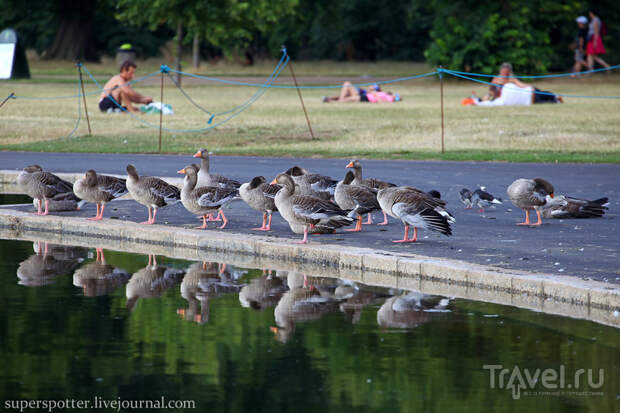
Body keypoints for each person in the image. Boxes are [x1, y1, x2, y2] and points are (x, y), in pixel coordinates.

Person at [472, 62, 563, 105]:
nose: (505, 74)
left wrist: (530, 86)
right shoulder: (496, 80)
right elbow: (491, 93)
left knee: (542, 93)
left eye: (506, 73)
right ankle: (555, 99)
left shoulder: (511, 78)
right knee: (540, 100)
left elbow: (520, 85)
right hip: (518, 97)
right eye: (503, 72)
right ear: (500, 71)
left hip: (524, 92)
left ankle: (555, 97)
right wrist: (483, 100)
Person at [322, 82, 400, 103]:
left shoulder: (386, 97)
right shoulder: (383, 93)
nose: (371, 86)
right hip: (362, 94)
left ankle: (336, 100)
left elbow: (380, 100)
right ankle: (331, 99)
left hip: (362, 95)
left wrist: (373, 92)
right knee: (346, 90)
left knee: (347, 84)